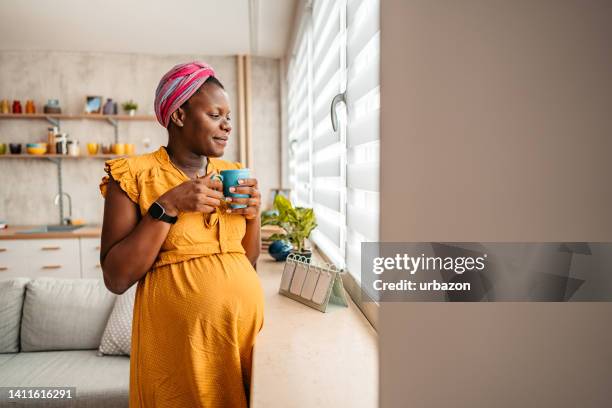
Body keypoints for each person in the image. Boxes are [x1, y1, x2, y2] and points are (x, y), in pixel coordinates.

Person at [99, 61, 264, 407]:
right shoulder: (133, 175)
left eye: (229, 117)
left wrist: (253, 216)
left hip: (244, 340)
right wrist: (169, 205)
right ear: (178, 115)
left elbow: (245, 260)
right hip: (181, 349)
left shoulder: (232, 173)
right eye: (215, 115)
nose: (227, 126)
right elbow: (116, 277)